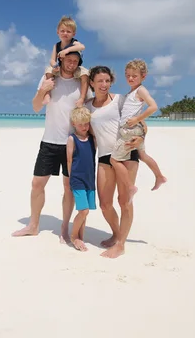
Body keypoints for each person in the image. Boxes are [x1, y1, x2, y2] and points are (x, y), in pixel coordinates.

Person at [12, 50, 89, 243]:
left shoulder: (81, 84)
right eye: (68, 60)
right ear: (61, 59)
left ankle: (64, 228)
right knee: (37, 184)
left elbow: (92, 107)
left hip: (72, 143)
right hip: (49, 141)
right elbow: (36, 107)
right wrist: (41, 90)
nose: (71, 63)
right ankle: (33, 225)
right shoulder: (49, 78)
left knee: (68, 187)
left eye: (75, 61)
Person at [105, 59, 166, 258]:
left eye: (135, 76)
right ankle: (159, 176)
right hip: (132, 130)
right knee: (143, 154)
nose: (131, 78)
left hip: (130, 131)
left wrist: (137, 120)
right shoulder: (130, 94)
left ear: (143, 77)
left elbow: (153, 106)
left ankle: (120, 244)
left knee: (116, 163)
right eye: (128, 76)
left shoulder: (140, 91)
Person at [84, 66, 143, 258]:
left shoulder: (120, 100)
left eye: (107, 81)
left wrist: (141, 138)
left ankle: (121, 244)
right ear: (91, 82)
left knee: (124, 201)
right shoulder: (87, 106)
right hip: (104, 156)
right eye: (99, 81)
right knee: (105, 204)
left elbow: (140, 123)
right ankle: (117, 234)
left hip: (126, 153)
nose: (104, 85)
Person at [66, 107, 97, 252]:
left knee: (86, 211)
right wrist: (70, 180)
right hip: (77, 179)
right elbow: (69, 161)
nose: (84, 127)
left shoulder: (92, 139)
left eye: (86, 124)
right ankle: (73, 236)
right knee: (83, 210)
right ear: (74, 124)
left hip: (90, 180)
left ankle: (81, 235)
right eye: (81, 124)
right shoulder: (72, 139)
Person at [42, 16, 90, 108]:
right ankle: (47, 94)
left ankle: (82, 97)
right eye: (62, 31)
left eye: (68, 31)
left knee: (85, 74)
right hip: (61, 67)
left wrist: (66, 51)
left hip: (76, 68)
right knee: (48, 70)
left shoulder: (74, 42)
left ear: (73, 34)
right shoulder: (57, 45)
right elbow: (52, 59)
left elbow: (82, 47)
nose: (65, 33)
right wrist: (54, 65)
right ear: (58, 32)